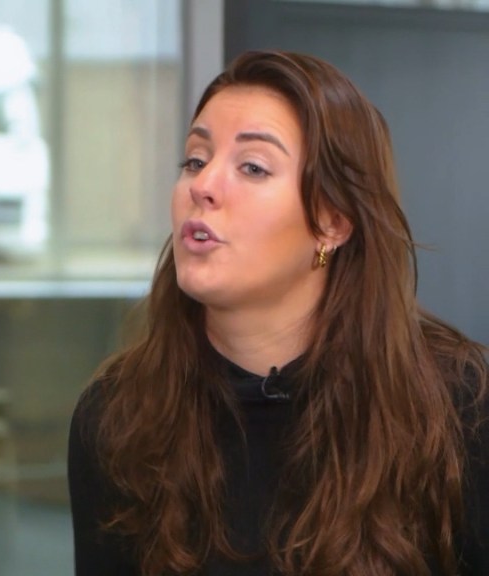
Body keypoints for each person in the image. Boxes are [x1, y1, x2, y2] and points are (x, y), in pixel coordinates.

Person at [67, 50, 488, 576]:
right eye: (195, 160)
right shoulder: (118, 415)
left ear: (332, 221)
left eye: (253, 167)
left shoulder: (458, 406)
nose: (203, 186)